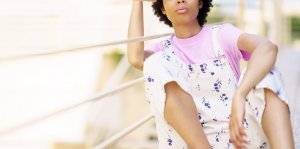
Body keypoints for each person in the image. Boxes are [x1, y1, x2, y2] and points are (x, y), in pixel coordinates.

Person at [127, 0, 295, 148]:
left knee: (266, 74)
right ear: (162, 8)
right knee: (153, 63)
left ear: (200, 2)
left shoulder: (221, 35)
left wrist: (240, 94)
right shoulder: (163, 52)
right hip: (194, 142)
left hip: (241, 135)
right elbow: (135, 58)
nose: (180, 0)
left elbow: (267, 47)